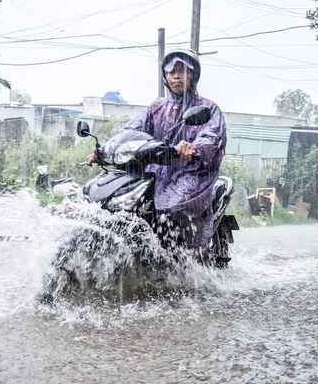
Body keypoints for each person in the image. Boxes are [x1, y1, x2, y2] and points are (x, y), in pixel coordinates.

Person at [87, 48, 227, 255]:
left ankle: (182, 258)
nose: (177, 76)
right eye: (172, 71)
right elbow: (130, 130)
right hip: (155, 171)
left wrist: (193, 148)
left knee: (170, 207)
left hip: (190, 174)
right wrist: (103, 149)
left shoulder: (208, 108)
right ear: (165, 76)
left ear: (193, 76)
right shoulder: (157, 107)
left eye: (183, 71)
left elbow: (211, 137)